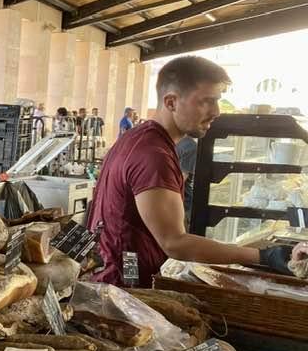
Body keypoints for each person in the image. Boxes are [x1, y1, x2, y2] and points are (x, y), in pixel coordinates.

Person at [88, 55, 293, 288]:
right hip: (124, 287)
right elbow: (174, 242)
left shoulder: (139, 137)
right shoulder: (153, 154)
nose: (216, 111)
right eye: (206, 101)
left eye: (217, 101)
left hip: (114, 277)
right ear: (171, 102)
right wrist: (263, 256)